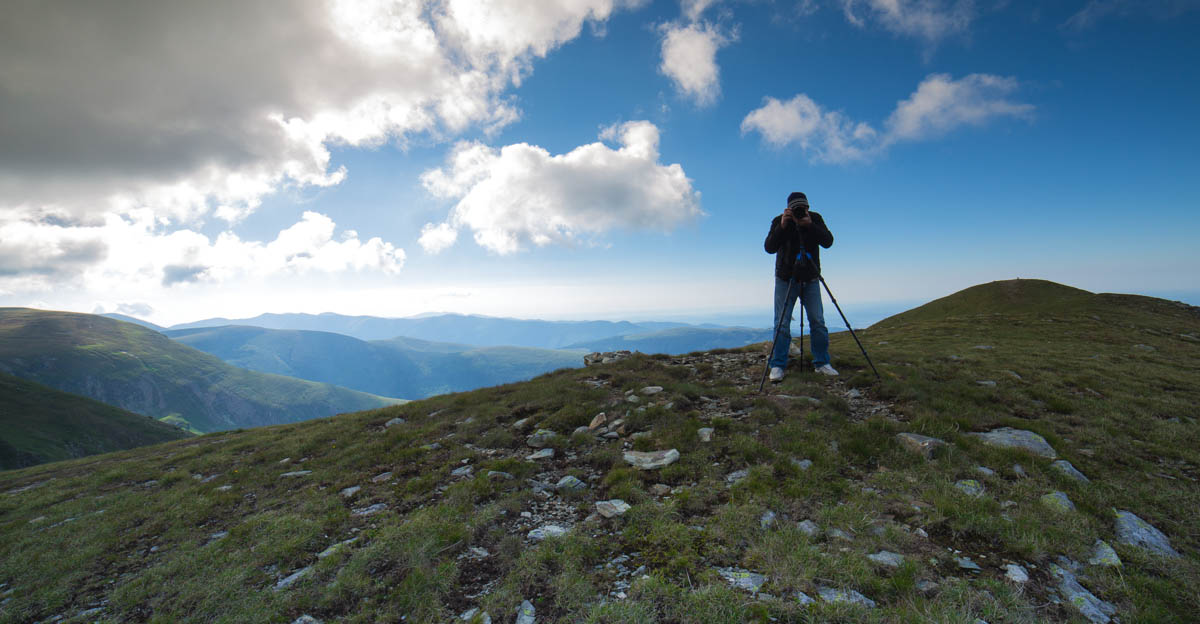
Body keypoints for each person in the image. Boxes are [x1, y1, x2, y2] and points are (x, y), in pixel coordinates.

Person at [763, 191, 836, 381]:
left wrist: (810, 226)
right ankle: (777, 366)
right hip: (785, 279)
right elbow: (769, 247)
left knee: (817, 321)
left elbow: (828, 241)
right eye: (795, 208)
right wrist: (782, 226)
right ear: (787, 209)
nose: (799, 211)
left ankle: (822, 363)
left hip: (810, 278)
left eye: (802, 208)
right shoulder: (780, 221)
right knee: (781, 323)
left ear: (808, 207)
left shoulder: (815, 219)